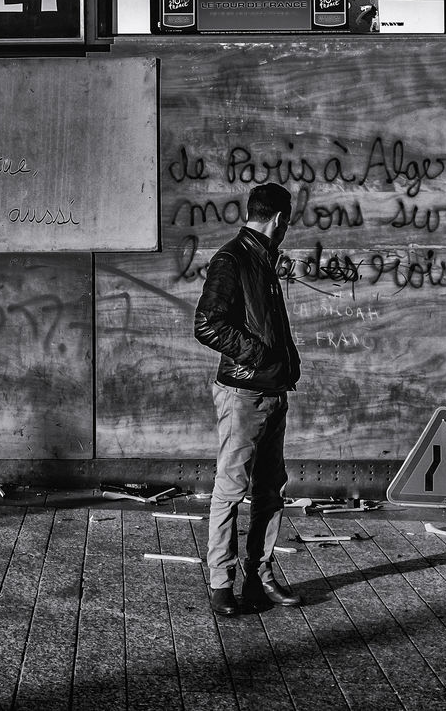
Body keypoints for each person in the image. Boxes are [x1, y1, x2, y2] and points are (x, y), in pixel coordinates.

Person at [193, 182, 303, 616]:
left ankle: (259, 577)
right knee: (231, 489)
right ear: (278, 219)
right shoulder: (233, 259)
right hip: (243, 394)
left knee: (270, 490)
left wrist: (281, 365)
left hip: (272, 392)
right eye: (287, 222)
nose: (287, 228)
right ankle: (221, 582)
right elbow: (207, 324)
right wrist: (257, 356)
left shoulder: (263, 258)